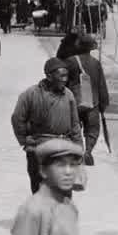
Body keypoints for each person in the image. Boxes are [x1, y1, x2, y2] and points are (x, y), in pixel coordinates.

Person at [12, 58, 84, 194]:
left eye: (66, 76)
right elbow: (17, 119)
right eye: (61, 76)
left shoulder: (68, 95)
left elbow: (75, 125)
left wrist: (79, 149)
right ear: (49, 76)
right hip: (38, 150)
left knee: (64, 192)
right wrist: (24, 139)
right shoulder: (30, 94)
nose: (64, 79)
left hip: (63, 150)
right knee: (40, 190)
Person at [62, 35, 109, 165]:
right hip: (93, 102)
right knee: (92, 129)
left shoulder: (69, 62)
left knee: (73, 128)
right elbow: (101, 85)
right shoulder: (96, 63)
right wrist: (103, 104)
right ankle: (88, 151)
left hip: (73, 103)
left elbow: (63, 82)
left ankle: (78, 151)